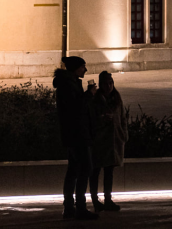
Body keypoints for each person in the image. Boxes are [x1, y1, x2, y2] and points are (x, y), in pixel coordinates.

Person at [54, 55, 98, 221]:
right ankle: (79, 207)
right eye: (83, 67)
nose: (85, 70)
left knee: (74, 169)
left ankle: (70, 207)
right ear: (75, 69)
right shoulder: (68, 85)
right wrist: (89, 95)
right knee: (85, 168)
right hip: (78, 134)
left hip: (74, 133)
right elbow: (75, 109)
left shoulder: (69, 83)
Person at [90, 71, 128, 213]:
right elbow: (91, 118)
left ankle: (108, 199)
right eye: (106, 83)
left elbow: (123, 117)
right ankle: (95, 199)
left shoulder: (116, 98)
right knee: (95, 170)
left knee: (109, 171)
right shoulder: (95, 99)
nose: (109, 86)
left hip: (114, 140)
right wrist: (101, 120)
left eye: (111, 83)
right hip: (100, 141)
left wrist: (124, 134)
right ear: (100, 85)